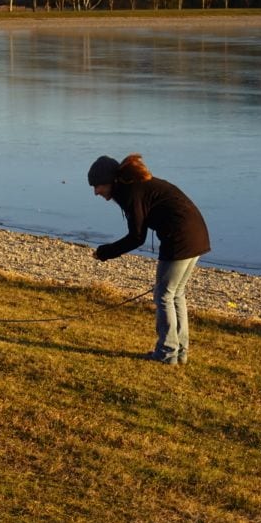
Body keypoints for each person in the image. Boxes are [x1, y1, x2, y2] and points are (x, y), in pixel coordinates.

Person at [88, 153, 210, 365]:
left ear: (111, 181)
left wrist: (105, 252)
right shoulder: (135, 187)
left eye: (98, 186)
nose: (96, 192)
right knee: (175, 293)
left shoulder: (132, 192)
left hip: (181, 239)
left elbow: (137, 237)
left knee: (164, 295)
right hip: (196, 235)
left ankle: (167, 353)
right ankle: (179, 352)